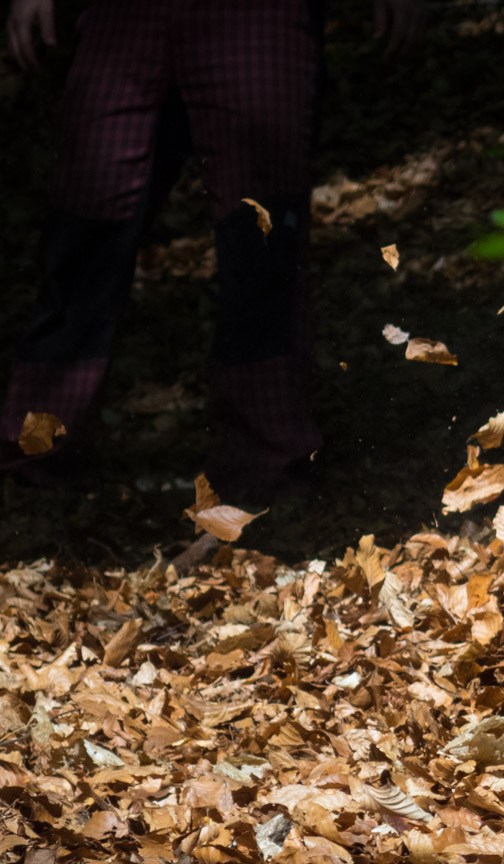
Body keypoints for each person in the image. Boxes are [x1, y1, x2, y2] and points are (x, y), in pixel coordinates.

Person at [2, 0, 425, 507]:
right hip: (123, 16)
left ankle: (266, 473)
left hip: (256, 17)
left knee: (261, 238)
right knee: (85, 226)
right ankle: (33, 460)